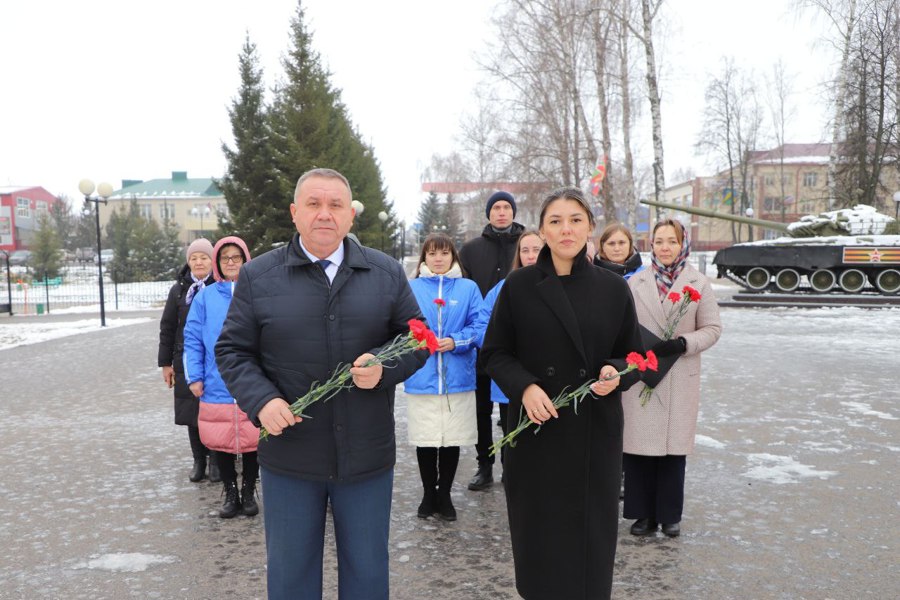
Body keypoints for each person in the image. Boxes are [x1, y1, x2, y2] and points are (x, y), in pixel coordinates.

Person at [214, 168, 428, 600]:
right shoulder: (259, 276)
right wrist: (262, 401)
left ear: (351, 216)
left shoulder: (384, 272)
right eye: (313, 204)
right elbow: (233, 351)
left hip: (365, 457)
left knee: (367, 573)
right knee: (291, 576)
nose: (324, 214)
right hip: (290, 455)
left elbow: (416, 339)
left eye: (335, 206)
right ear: (295, 213)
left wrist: (385, 370)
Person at [481, 187, 644, 600]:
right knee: (541, 546)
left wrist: (616, 371)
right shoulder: (518, 286)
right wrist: (526, 386)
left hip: (594, 435)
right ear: (541, 230)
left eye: (575, 219)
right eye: (555, 221)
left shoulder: (613, 288)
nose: (565, 229)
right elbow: (496, 354)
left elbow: (634, 356)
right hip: (536, 433)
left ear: (590, 226)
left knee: (590, 549)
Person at [621, 218, 722, 538]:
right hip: (643, 373)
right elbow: (621, 326)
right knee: (639, 449)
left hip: (680, 373)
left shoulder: (699, 283)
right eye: (659, 241)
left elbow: (713, 329)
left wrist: (683, 343)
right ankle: (642, 515)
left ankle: (669, 515)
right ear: (651, 245)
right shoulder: (634, 283)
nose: (665, 247)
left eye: (672, 241)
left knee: (672, 451)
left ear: (683, 245)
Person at [405, 233, 484, 521]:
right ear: (424, 258)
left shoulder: (468, 288)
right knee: (426, 439)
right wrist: (420, 339)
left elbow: (480, 325)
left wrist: (455, 340)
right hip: (422, 375)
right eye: (432, 253)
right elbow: (402, 324)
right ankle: (429, 494)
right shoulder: (411, 287)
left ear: (453, 256)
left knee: (452, 438)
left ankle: (445, 494)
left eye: (444, 253)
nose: (438, 259)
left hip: (457, 377)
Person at [183, 236, 259, 519]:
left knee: (254, 441)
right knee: (221, 442)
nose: (230, 262)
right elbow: (192, 339)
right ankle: (230, 492)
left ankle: (249, 491)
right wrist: (195, 377)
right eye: (225, 257)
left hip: (253, 381)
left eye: (235, 257)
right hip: (217, 382)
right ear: (217, 263)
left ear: (245, 259)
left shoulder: (257, 294)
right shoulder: (204, 297)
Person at [458, 190, 525, 491]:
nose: (501, 212)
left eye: (506, 207)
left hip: (518, 344)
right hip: (482, 342)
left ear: (513, 212)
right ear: (488, 214)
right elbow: (464, 289)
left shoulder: (526, 245)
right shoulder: (472, 249)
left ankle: (514, 466)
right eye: (496, 207)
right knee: (482, 409)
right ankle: (484, 465)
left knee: (515, 409)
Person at [477, 230, 543, 465]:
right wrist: (503, 345)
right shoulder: (504, 287)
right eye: (525, 250)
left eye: (536, 249)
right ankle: (509, 475)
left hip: (545, 378)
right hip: (511, 378)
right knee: (512, 436)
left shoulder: (555, 283)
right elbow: (482, 323)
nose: (531, 255)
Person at [158, 238, 219, 483]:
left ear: (212, 260)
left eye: (203, 257)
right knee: (190, 411)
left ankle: (217, 459)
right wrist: (166, 364)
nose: (198, 262)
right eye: (194, 258)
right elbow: (168, 327)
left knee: (215, 410)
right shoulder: (180, 290)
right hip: (185, 359)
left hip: (215, 359)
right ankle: (199, 460)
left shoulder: (220, 285)